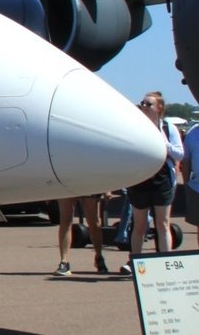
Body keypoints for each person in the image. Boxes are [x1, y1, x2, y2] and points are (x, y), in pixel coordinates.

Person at [118, 91, 185, 275]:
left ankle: (166, 263)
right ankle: (135, 262)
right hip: (140, 181)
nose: (144, 107)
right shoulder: (135, 127)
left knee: (162, 223)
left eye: (149, 104)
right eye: (143, 103)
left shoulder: (169, 129)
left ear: (159, 108)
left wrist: (164, 143)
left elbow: (179, 154)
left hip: (162, 181)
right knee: (139, 225)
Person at [54, 194, 106, 275]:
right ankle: (64, 262)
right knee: (65, 220)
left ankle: (99, 257)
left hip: (87, 185)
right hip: (67, 184)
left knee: (93, 222)